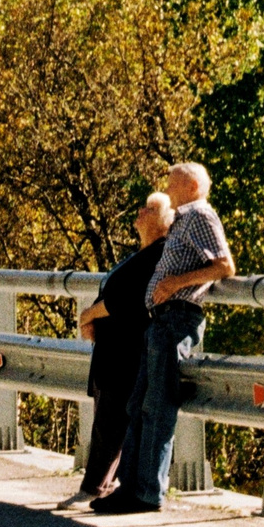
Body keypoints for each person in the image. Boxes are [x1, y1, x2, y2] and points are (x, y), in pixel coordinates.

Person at [93, 161, 236, 515]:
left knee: (156, 407)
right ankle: (130, 488)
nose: (167, 190)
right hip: (159, 321)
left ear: (190, 187)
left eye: (172, 184)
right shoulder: (184, 221)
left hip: (176, 319)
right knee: (138, 405)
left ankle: (146, 493)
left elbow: (224, 266)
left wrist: (175, 283)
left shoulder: (202, 215)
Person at [62, 191, 175, 509]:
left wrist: (88, 314)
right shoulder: (140, 253)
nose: (140, 211)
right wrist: (93, 320)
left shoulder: (160, 253)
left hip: (128, 349)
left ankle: (94, 486)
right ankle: (105, 483)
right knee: (108, 417)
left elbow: (127, 299)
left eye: (149, 208)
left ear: (166, 221)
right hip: (112, 349)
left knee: (112, 419)